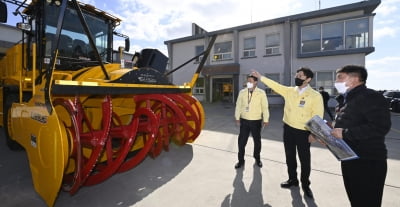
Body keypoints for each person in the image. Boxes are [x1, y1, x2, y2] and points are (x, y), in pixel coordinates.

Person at [251, 67, 323, 199]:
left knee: (305, 160)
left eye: (300, 76)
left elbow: (317, 117)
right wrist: (261, 77)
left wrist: (314, 134)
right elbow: (276, 85)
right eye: (296, 74)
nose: (297, 77)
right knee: (290, 157)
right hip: (288, 129)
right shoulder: (290, 91)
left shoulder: (315, 96)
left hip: (304, 133)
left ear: (308, 79)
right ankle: (292, 180)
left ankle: (306, 185)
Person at [330, 65, 391, 207]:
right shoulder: (347, 99)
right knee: (356, 201)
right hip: (350, 157)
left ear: (354, 79)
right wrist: (329, 132)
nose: (336, 81)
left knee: (367, 202)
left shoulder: (370, 97)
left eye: (340, 77)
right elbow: (350, 123)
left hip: (368, 162)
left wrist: (344, 133)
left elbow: (380, 126)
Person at [234, 74, 269, 169]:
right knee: (241, 142)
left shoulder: (261, 93)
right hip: (244, 121)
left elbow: (265, 107)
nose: (248, 82)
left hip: (256, 121)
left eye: (250, 81)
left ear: (256, 82)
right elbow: (238, 106)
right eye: (247, 81)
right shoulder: (242, 92)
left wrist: (266, 119)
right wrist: (237, 117)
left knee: (257, 142)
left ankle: (257, 158)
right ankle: (241, 160)